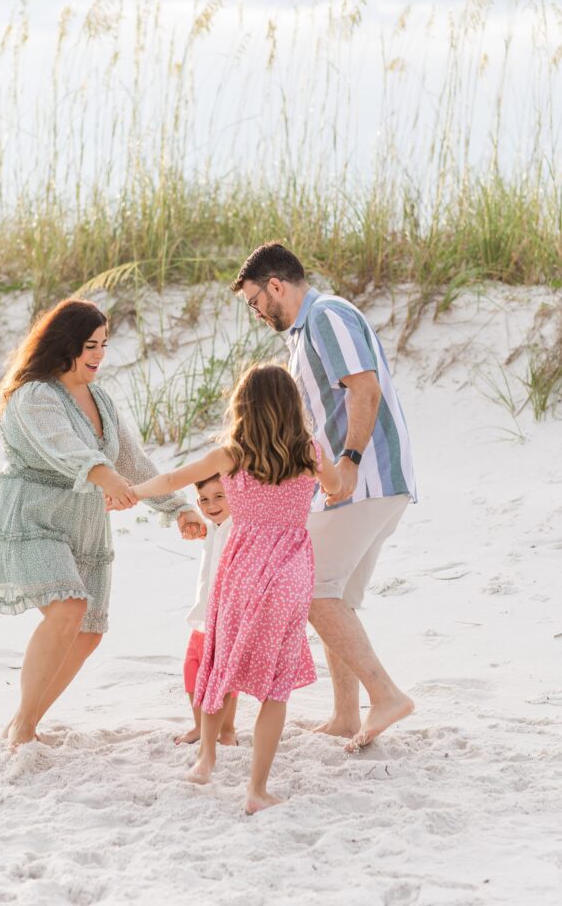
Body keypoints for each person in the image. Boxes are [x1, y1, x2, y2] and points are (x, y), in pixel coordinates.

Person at [0, 298, 205, 749]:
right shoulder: (33, 395)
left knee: (89, 632)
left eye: (103, 344)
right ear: (65, 345)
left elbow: (133, 461)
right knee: (68, 608)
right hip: (33, 516)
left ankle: (26, 720)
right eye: (89, 345)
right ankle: (22, 728)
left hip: (83, 524)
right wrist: (107, 478)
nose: (99, 354)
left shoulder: (99, 395)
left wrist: (178, 507)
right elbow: (68, 450)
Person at [128, 363, 343, 814]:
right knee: (275, 688)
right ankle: (256, 790)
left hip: (242, 571)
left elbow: (171, 481)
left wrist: (129, 492)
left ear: (242, 408)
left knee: (218, 662)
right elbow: (337, 487)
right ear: (292, 407)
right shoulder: (309, 453)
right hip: (289, 574)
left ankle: (206, 759)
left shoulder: (232, 455)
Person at [232, 243, 416, 752]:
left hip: (368, 478)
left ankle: (386, 695)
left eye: (253, 301)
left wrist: (351, 462)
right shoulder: (303, 336)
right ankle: (344, 714)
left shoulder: (327, 316)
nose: (255, 312)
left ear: (275, 285)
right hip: (366, 485)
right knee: (334, 595)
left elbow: (364, 388)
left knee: (313, 590)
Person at [177, 474, 238, 747]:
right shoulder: (212, 527)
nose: (211, 504)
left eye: (219, 496)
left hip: (227, 615)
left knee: (224, 676)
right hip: (203, 614)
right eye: (204, 499)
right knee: (192, 667)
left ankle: (227, 730)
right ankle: (200, 726)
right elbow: (203, 527)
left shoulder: (238, 526)